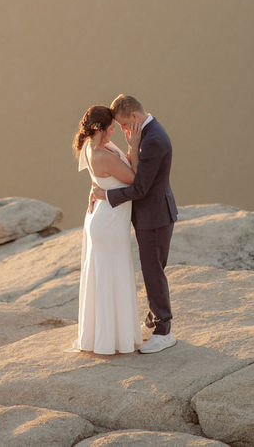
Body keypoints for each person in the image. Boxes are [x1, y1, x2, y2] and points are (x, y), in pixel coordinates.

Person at [91, 94, 177, 354]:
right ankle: (154, 319)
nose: (124, 131)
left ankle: (164, 331)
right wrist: (132, 145)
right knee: (153, 267)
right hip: (152, 215)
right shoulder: (147, 134)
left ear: (135, 118)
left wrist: (105, 196)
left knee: (153, 272)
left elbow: (139, 188)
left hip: (154, 217)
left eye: (125, 125)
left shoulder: (152, 140)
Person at [74, 104, 143, 354]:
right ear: (101, 128)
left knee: (108, 278)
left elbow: (101, 181)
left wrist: (98, 191)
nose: (115, 131)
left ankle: (108, 337)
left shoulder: (95, 147)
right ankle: (110, 340)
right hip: (109, 224)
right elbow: (135, 179)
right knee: (111, 279)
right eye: (112, 127)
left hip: (106, 219)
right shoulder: (101, 154)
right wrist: (134, 145)